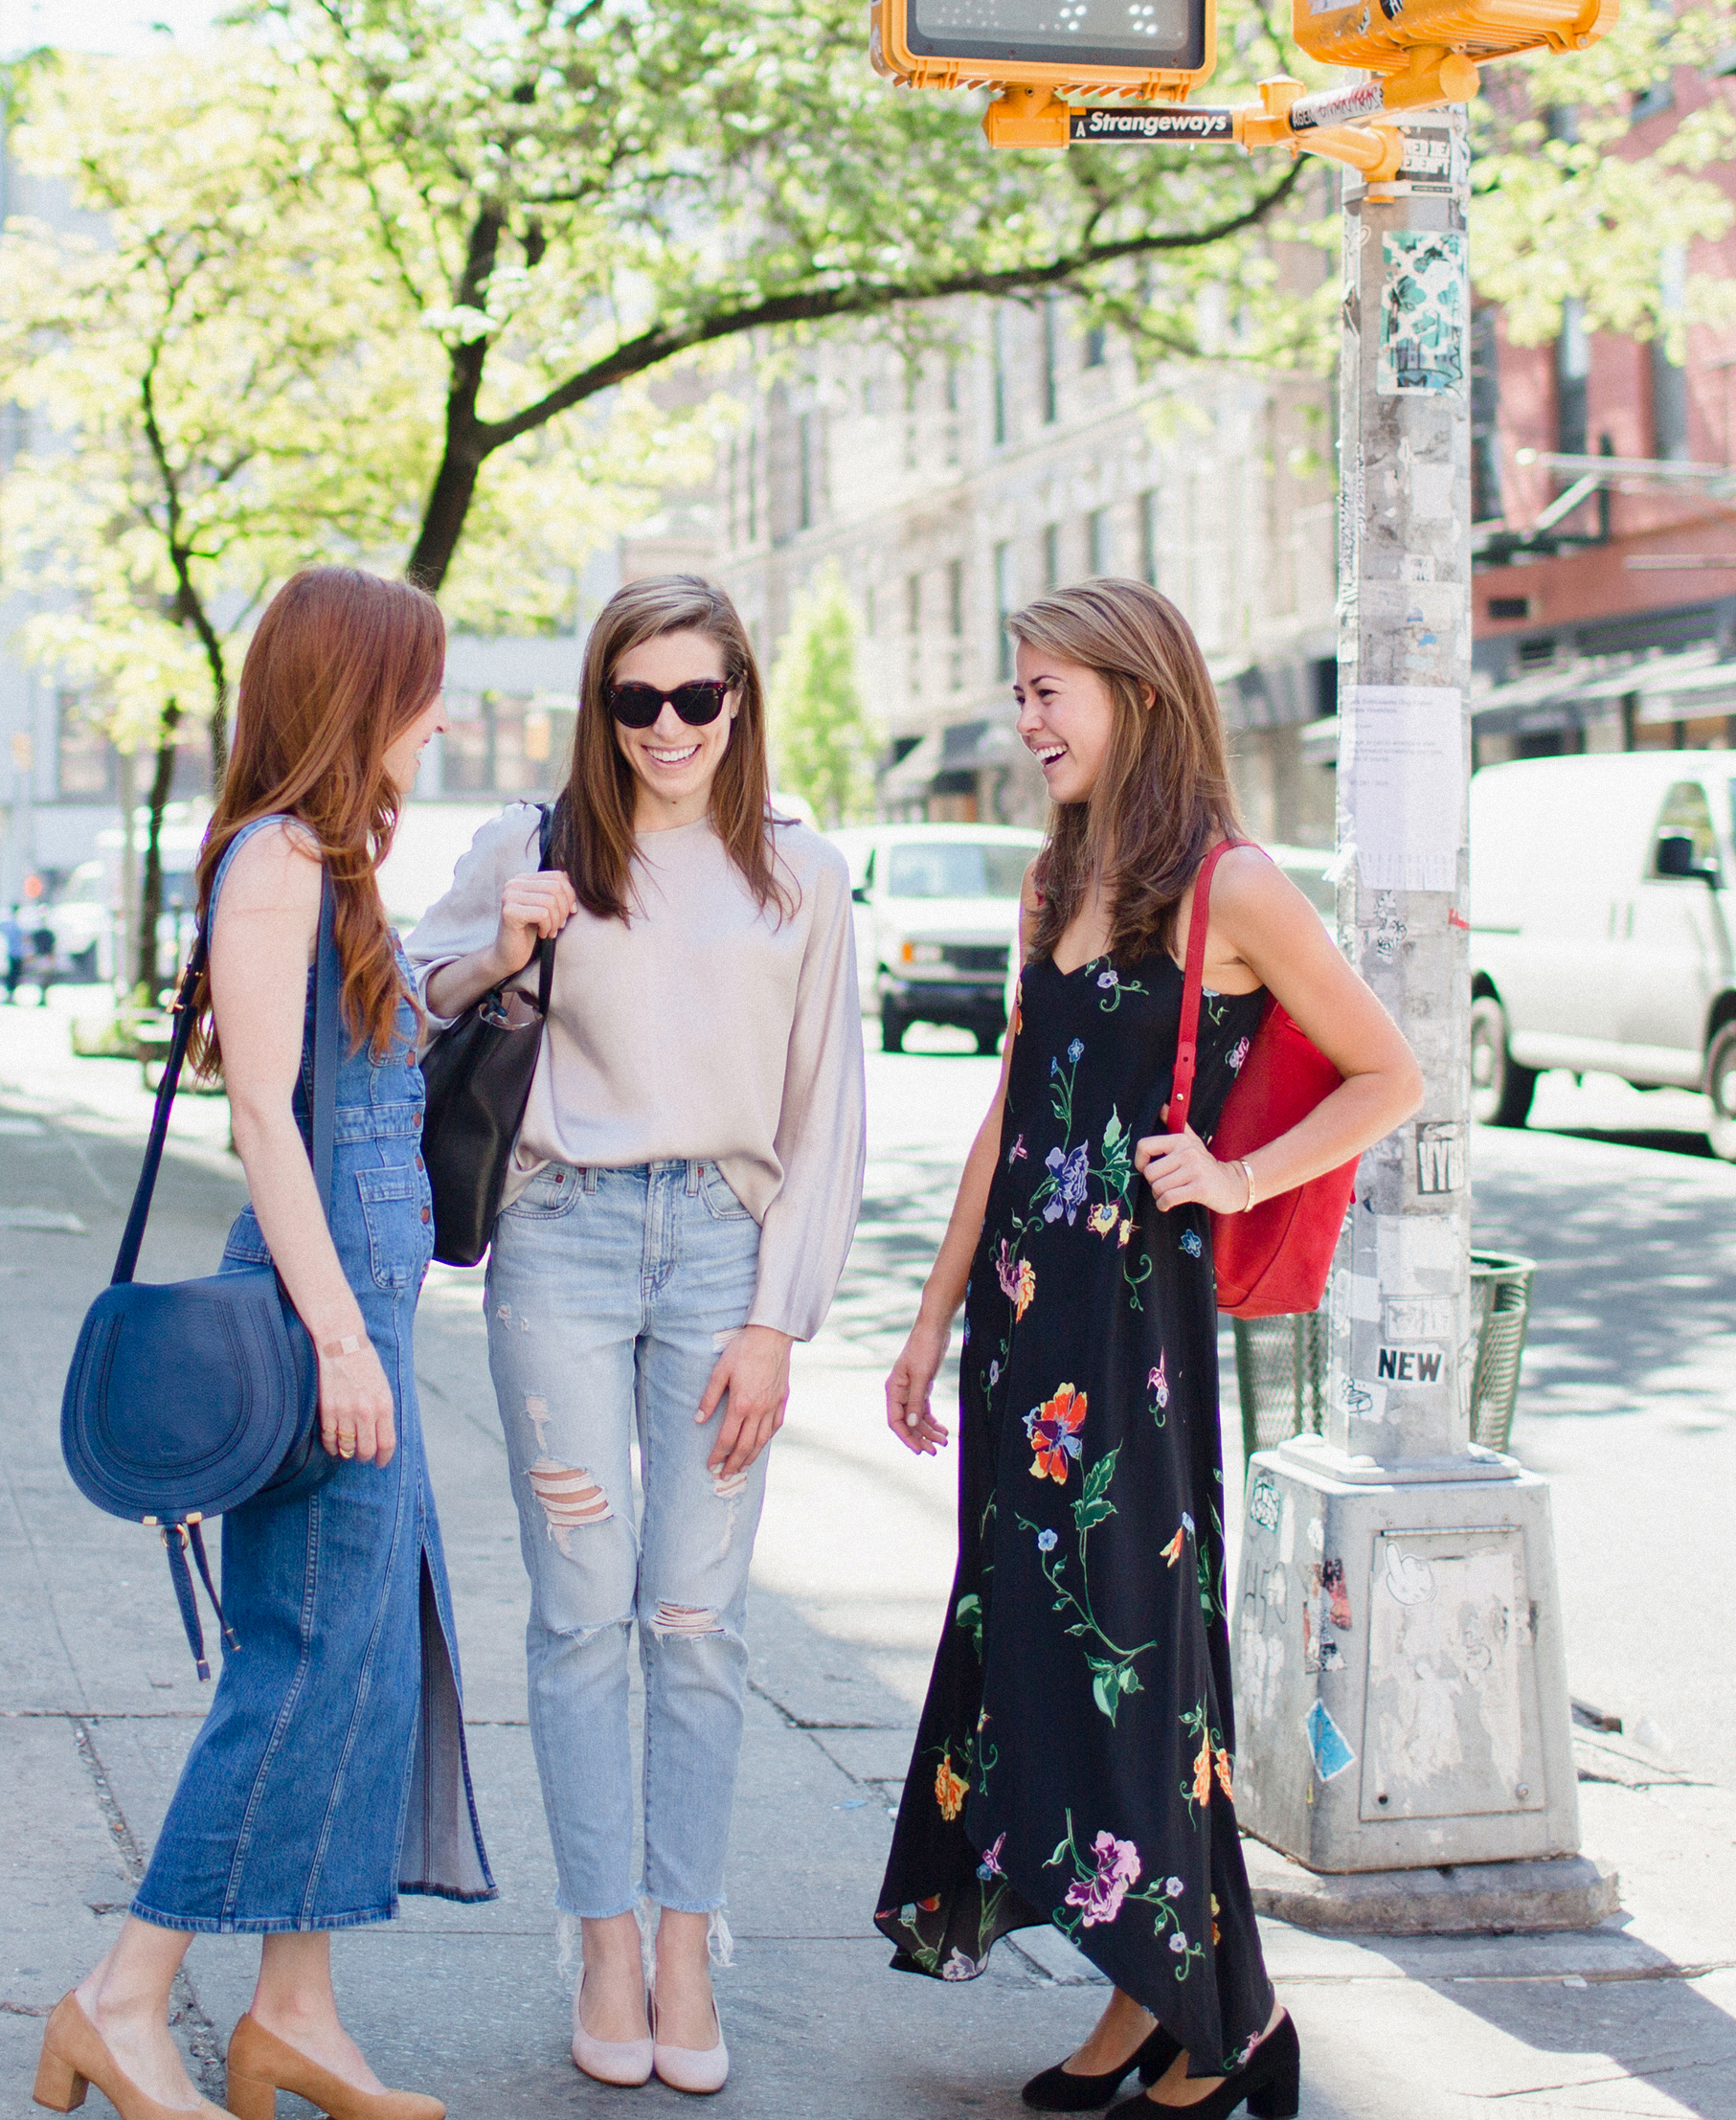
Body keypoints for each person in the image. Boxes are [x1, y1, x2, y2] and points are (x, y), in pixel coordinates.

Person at [876, 579, 1424, 2120]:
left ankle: (1217, 2013)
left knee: (1140, 1668)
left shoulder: (1229, 887)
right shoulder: (1056, 877)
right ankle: (1160, 2003)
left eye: (1051, 690)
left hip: (1135, 1342)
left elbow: (1392, 1070)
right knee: (1048, 1655)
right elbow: (1011, 1111)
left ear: (1142, 694)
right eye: (1022, 689)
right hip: (1021, 1337)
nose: (1026, 718)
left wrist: (1238, 1177)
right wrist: (928, 1320)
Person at [37, 567, 492, 2120]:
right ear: (356, 692)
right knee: (297, 1672)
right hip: (320, 1327)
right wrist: (347, 1345)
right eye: (418, 687)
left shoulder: (330, 863)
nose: (437, 715)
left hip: (354, 1315)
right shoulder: (279, 859)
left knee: (357, 1663)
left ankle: (295, 2014)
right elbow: (266, 1126)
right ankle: (121, 1996)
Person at [410, 573, 865, 2097]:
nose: (669, 728)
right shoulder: (530, 846)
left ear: (740, 698)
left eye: (698, 698)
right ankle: (601, 1940)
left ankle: (686, 1942)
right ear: (601, 707)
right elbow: (400, 1002)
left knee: (697, 1617)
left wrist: (776, 1321)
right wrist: (496, 946)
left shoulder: (803, 871)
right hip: (560, 1244)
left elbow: (824, 1114)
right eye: (636, 699)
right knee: (581, 1605)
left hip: (722, 1255)